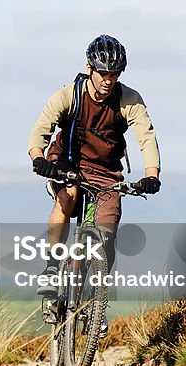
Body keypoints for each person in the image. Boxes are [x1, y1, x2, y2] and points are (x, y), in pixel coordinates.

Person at [26, 34, 161, 337]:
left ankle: (95, 301)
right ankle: (51, 268)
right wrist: (39, 158)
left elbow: (146, 136)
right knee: (68, 197)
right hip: (68, 164)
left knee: (107, 234)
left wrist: (152, 175)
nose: (108, 80)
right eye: (103, 73)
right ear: (89, 67)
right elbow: (40, 130)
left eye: (114, 74)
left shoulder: (129, 99)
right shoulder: (69, 95)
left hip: (106, 173)